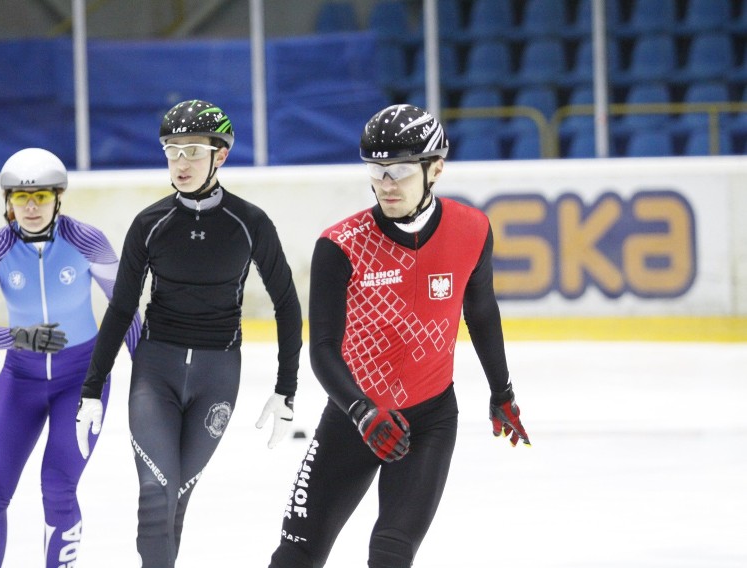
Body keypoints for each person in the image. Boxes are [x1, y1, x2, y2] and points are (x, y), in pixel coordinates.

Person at [268, 104, 530, 568]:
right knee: (297, 556)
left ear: (436, 169)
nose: (387, 184)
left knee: (390, 552)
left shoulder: (472, 229)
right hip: (354, 418)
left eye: (401, 171)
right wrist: (363, 413)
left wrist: (501, 391)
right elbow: (324, 348)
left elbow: (482, 310)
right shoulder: (340, 245)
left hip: (430, 420)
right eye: (377, 170)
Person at [74, 99, 303, 567]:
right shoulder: (149, 223)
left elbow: (287, 305)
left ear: (220, 155)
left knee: (176, 498)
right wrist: (91, 390)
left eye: (193, 150)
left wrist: (286, 390)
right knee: (156, 497)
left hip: (217, 375)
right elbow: (121, 309)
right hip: (155, 372)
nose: (181, 162)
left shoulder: (250, 222)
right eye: (172, 150)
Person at [0, 148, 141, 568]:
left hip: (80, 381)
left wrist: (149, 378)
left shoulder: (86, 240)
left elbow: (126, 310)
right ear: (7, 201)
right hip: (20, 382)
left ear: (58, 198)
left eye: (41, 197)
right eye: (20, 198)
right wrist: (21, 337)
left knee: (58, 488)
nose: (30, 206)